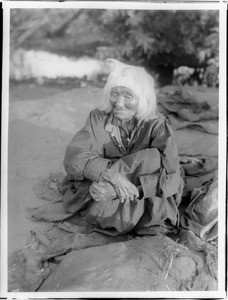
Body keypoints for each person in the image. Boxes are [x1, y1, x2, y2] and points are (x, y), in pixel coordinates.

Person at [61, 59, 183, 236]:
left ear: (142, 98)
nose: (118, 103)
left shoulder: (157, 125)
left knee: (152, 159)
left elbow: (172, 177)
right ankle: (113, 215)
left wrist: (127, 191)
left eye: (128, 96)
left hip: (142, 193)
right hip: (102, 188)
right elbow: (74, 157)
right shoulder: (98, 118)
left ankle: (135, 218)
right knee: (98, 200)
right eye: (114, 94)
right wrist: (114, 178)